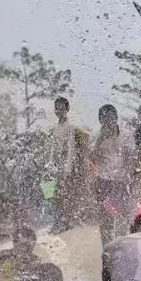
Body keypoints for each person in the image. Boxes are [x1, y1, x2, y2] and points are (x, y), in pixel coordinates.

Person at [90, 104, 130, 247]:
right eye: (104, 120)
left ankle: (121, 246)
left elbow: (131, 158)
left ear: (116, 118)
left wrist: (128, 177)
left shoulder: (126, 135)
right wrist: (100, 140)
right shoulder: (96, 136)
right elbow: (91, 158)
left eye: (110, 119)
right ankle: (106, 248)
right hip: (103, 181)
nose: (108, 123)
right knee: (105, 217)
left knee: (121, 216)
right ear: (100, 121)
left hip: (121, 181)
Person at [47, 96, 77, 232]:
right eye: (57, 108)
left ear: (67, 109)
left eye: (61, 108)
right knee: (54, 194)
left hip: (66, 163)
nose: (59, 111)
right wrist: (50, 163)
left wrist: (68, 168)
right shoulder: (55, 127)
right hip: (57, 163)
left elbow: (71, 148)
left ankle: (66, 221)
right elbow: (53, 147)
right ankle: (57, 221)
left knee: (66, 194)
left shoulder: (70, 126)